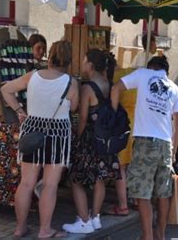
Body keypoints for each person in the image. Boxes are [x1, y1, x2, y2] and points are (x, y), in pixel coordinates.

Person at [1, 41, 79, 238]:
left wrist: (20, 110)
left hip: (31, 128)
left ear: (50, 55)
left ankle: (20, 227)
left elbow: (5, 90)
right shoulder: (70, 82)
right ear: (69, 59)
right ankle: (45, 229)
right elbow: (73, 108)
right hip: (58, 132)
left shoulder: (32, 76)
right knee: (50, 185)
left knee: (26, 183)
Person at [111, 56, 178, 240]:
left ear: (151, 67)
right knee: (163, 192)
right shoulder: (174, 88)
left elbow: (116, 88)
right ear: (165, 71)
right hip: (166, 144)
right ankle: (160, 234)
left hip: (145, 142)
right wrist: (174, 150)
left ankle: (147, 236)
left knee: (142, 194)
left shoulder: (143, 74)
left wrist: (113, 117)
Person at [63, 49, 120, 234]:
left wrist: (77, 137)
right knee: (100, 178)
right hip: (105, 138)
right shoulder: (108, 83)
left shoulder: (87, 87)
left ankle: (84, 221)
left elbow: (83, 117)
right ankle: (95, 218)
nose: (82, 63)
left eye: (84, 60)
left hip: (89, 138)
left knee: (76, 179)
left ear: (91, 65)